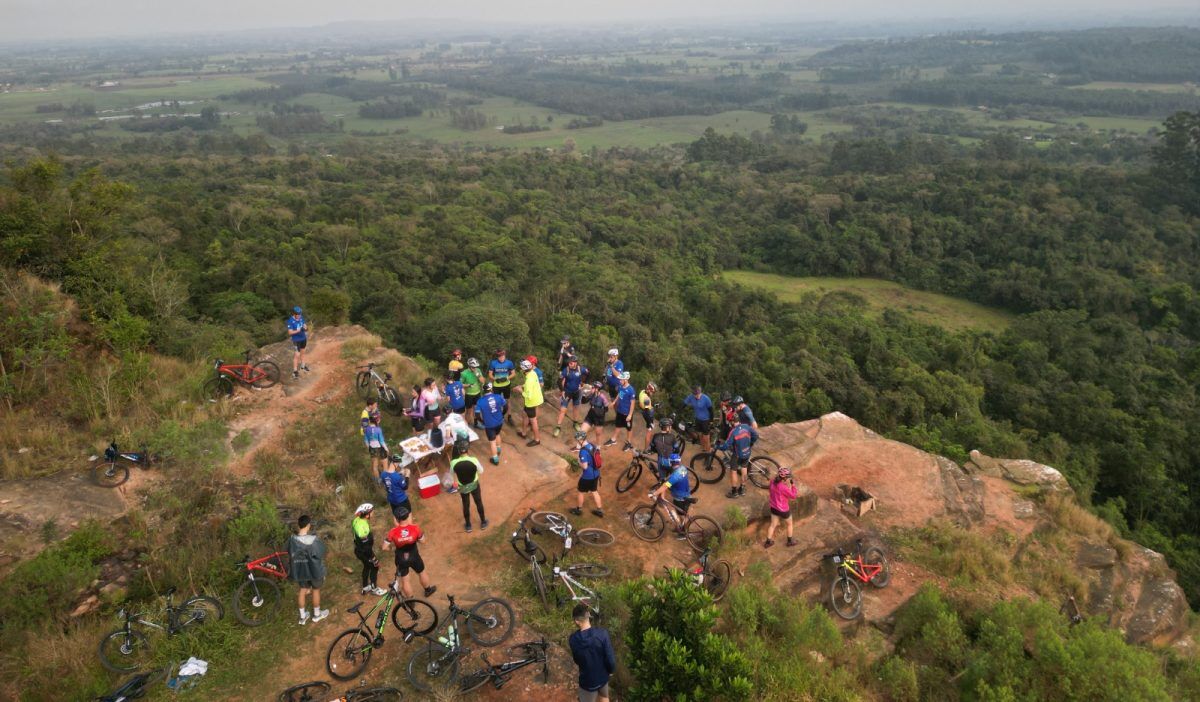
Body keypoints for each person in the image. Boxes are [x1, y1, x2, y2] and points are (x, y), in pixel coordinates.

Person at [382, 512, 437, 599]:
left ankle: (411, 601)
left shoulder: (393, 531)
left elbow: (384, 547)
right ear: (408, 517)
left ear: (396, 519)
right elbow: (423, 541)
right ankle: (428, 590)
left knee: (405, 580)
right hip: (414, 556)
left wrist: (392, 549)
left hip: (401, 558)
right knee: (421, 572)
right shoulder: (415, 528)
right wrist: (414, 539)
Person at [569, 603, 615, 702]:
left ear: (577, 621)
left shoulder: (573, 639)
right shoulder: (603, 634)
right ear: (589, 615)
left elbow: (577, 660)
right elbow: (610, 657)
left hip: (587, 682)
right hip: (603, 677)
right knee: (604, 697)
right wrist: (610, 670)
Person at [287, 514, 328, 625]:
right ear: (308, 525)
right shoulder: (313, 540)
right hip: (313, 570)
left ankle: (302, 617)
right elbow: (321, 552)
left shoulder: (292, 540)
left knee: (302, 590)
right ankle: (317, 615)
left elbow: (289, 553)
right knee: (315, 590)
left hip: (300, 570)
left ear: (299, 525)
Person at [651, 455, 692, 539]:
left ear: (671, 462)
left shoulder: (675, 476)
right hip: (686, 493)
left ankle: (683, 533)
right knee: (683, 513)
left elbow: (665, 486)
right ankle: (681, 527)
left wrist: (654, 494)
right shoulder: (683, 468)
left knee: (678, 513)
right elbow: (672, 478)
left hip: (680, 497)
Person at [351, 504, 388, 596]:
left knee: (367, 566)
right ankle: (374, 589)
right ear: (367, 514)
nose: (373, 513)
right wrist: (373, 558)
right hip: (364, 552)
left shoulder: (357, 520)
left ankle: (365, 587)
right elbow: (366, 546)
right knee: (375, 567)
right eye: (372, 511)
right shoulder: (363, 527)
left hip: (358, 550)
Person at [450, 443, 488, 532]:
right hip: (474, 484)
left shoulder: (453, 463)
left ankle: (468, 525)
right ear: (467, 450)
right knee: (478, 502)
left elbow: (452, 473)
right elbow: (481, 471)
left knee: (465, 505)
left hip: (462, 487)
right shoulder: (474, 460)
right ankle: (483, 522)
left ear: (459, 451)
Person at [722, 417, 759, 498]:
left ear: (732, 422)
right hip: (747, 452)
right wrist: (750, 443)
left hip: (737, 455)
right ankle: (742, 489)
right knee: (744, 468)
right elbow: (756, 435)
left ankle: (734, 492)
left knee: (733, 471)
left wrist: (719, 447)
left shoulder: (733, 432)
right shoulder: (747, 426)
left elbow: (726, 445)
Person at [571, 430, 604, 518]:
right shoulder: (592, 445)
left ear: (580, 440)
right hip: (596, 473)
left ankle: (578, 510)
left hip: (587, 476)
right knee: (594, 491)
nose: (577, 441)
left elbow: (584, 466)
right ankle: (599, 510)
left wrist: (579, 462)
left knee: (581, 492)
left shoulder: (583, 451)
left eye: (577, 439)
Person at [554, 355, 589, 437]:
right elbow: (559, 381)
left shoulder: (581, 369)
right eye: (569, 362)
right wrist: (562, 390)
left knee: (576, 407)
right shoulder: (566, 370)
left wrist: (583, 382)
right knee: (563, 409)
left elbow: (588, 373)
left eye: (571, 362)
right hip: (567, 392)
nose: (569, 364)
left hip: (577, 392)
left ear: (576, 363)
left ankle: (575, 423)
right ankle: (558, 427)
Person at [765, 468, 799, 548]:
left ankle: (768, 542)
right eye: (788, 477)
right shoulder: (783, 488)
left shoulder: (772, 481)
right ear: (785, 478)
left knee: (773, 525)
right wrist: (793, 486)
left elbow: (771, 490)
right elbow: (793, 496)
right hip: (783, 510)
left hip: (774, 507)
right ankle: (790, 541)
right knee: (790, 524)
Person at [475, 382, 507, 465]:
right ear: (491, 389)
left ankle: (495, 459)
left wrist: (482, 421)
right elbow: (506, 407)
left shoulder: (480, 401)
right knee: (498, 434)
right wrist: (502, 414)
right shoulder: (498, 397)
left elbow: (477, 415)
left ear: (483, 390)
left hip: (489, 424)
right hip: (499, 421)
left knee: (492, 441)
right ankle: (499, 449)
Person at [514, 359, 544, 447]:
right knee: (524, 414)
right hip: (536, 399)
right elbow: (533, 384)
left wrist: (520, 390)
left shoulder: (529, 380)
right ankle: (523, 433)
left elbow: (528, 395)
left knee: (533, 421)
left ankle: (537, 439)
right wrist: (522, 386)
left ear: (523, 370)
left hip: (531, 402)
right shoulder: (533, 373)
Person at [604, 372, 636, 451]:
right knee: (618, 425)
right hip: (619, 411)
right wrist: (614, 402)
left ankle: (629, 443)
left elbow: (633, 403)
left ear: (626, 379)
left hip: (626, 413)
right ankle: (613, 439)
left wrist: (630, 415)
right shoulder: (621, 386)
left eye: (621, 379)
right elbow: (619, 393)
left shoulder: (631, 390)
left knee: (629, 428)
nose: (620, 380)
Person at [683, 386, 715, 453]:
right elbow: (684, 404)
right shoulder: (691, 397)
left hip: (706, 420)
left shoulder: (706, 399)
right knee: (700, 435)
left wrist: (711, 421)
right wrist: (679, 410)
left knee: (706, 438)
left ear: (701, 392)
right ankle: (703, 449)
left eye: (698, 394)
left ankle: (708, 452)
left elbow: (711, 411)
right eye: (695, 395)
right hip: (698, 419)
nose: (697, 396)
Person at [488, 349, 516, 425]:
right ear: (497, 356)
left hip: (506, 384)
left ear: (505, 355)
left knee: (508, 400)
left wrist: (507, 378)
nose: (501, 358)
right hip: (497, 385)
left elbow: (513, 373)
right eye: (499, 356)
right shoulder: (493, 363)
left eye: (502, 356)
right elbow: (490, 374)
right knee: (497, 401)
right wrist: (495, 379)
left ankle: (509, 416)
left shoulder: (509, 363)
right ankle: (499, 416)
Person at [380, 456, 411, 522]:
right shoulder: (398, 477)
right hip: (401, 499)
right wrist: (407, 475)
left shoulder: (383, 474)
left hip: (391, 499)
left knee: (396, 515)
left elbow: (389, 478)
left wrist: (399, 473)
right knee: (408, 514)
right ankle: (409, 529)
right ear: (396, 464)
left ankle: (398, 530)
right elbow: (405, 487)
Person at [580, 381, 609, 446]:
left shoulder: (602, 397)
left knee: (598, 435)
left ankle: (598, 448)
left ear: (597, 389)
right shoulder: (591, 394)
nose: (592, 388)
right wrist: (583, 395)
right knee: (580, 433)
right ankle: (581, 446)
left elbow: (606, 409)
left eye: (593, 387)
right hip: (590, 415)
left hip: (599, 418)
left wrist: (598, 410)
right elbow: (583, 402)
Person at [362, 413, 388, 482]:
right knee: (385, 463)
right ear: (377, 420)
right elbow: (382, 441)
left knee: (374, 465)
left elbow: (366, 440)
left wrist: (369, 448)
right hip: (380, 448)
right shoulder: (378, 429)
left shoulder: (366, 429)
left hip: (372, 448)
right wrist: (386, 448)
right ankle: (386, 480)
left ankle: (378, 480)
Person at [286, 306, 310, 380]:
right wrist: (298, 330)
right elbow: (290, 332)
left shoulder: (301, 318)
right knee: (297, 355)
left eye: (300, 314)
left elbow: (305, 326)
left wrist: (306, 328)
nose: (299, 315)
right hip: (296, 340)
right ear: (294, 314)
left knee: (303, 352)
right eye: (297, 314)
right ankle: (295, 371)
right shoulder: (290, 321)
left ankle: (303, 366)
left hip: (303, 338)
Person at [461, 357, 484, 426]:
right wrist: (467, 385)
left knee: (477, 409)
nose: (475, 368)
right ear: (469, 366)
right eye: (473, 367)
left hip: (477, 393)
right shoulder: (464, 373)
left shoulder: (478, 370)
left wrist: (478, 375)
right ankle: (466, 424)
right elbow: (460, 384)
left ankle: (476, 422)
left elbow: (483, 381)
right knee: (469, 411)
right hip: (469, 394)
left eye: (476, 367)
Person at [638, 381, 657, 451]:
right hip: (648, 415)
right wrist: (650, 423)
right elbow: (646, 411)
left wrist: (654, 406)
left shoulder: (642, 392)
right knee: (649, 432)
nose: (652, 393)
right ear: (649, 390)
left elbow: (644, 406)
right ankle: (646, 449)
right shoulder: (647, 399)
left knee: (650, 431)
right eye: (652, 392)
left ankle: (648, 445)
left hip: (645, 411)